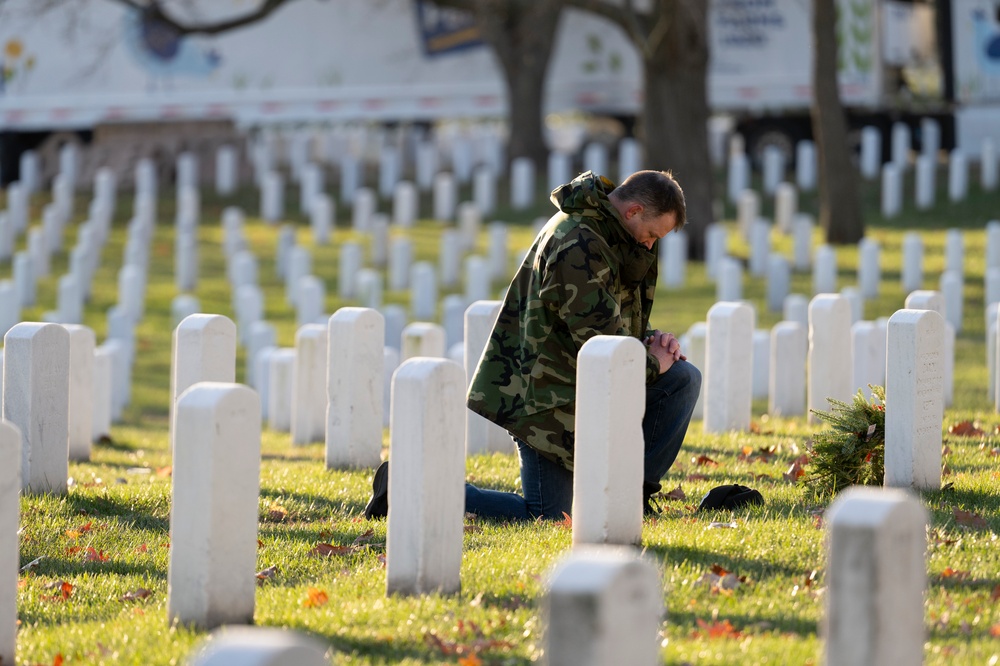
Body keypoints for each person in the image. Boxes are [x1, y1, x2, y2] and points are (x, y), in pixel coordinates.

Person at [365, 169, 700, 521]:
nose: (650, 245)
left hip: (577, 385)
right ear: (632, 211)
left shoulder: (611, 234)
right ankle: (410, 483)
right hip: (544, 396)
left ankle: (631, 496)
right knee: (552, 517)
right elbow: (598, 342)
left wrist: (652, 339)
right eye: (650, 235)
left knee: (682, 379)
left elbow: (609, 315)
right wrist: (653, 363)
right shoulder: (578, 243)